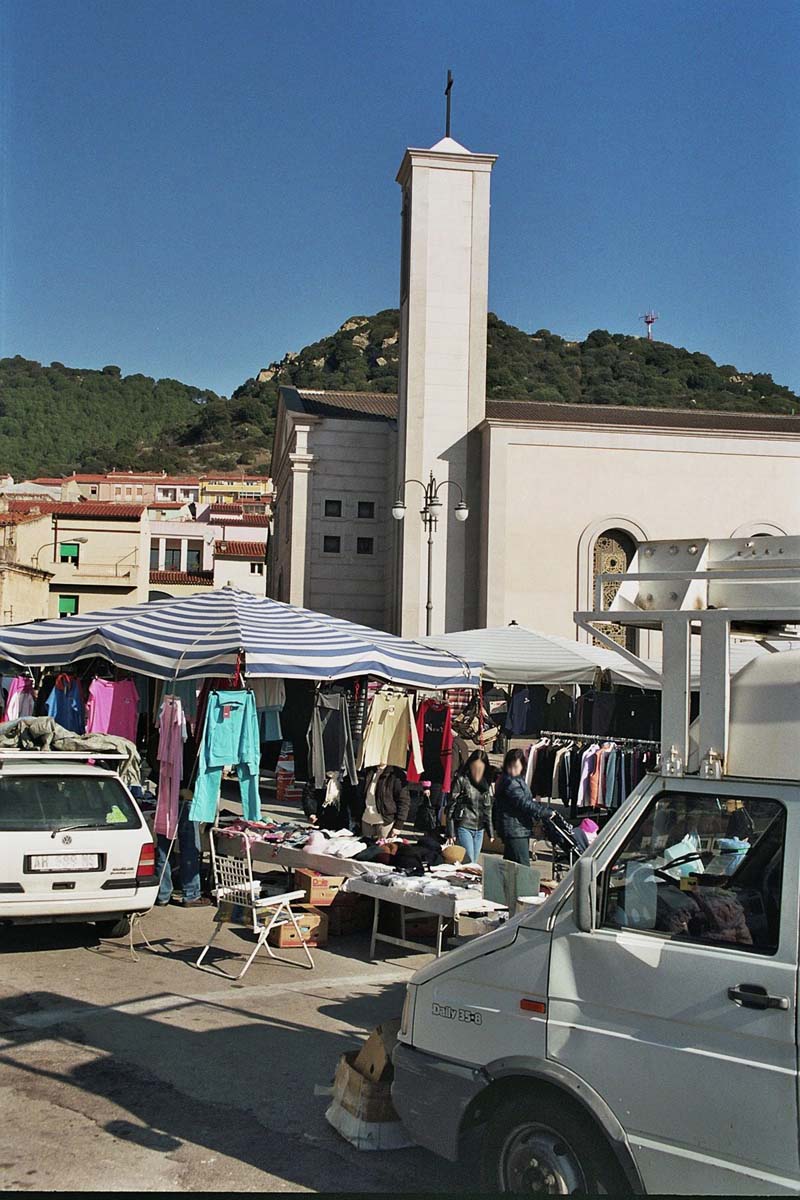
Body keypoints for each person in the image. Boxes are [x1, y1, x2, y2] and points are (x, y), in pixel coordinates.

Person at [493, 748, 555, 865]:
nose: (512, 770)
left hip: (517, 828)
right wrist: (544, 812)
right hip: (515, 830)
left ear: (522, 766)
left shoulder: (515, 780)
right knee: (522, 865)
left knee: (511, 865)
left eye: (516, 767)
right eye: (510, 766)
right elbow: (524, 803)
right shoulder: (511, 783)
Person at [155, 790, 211, 907]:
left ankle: (162, 894)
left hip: (166, 797)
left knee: (164, 850)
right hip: (184, 799)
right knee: (189, 849)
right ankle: (191, 894)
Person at [446, 750, 494, 864]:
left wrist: (490, 831)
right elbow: (451, 806)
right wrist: (450, 832)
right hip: (464, 825)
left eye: (480, 768)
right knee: (470, 860)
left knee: (474, 861)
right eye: (475, 767)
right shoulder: (462, 780)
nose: (477, 771)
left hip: (479, 828)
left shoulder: (485, 783)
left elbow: (488, 808)